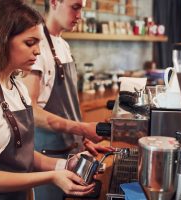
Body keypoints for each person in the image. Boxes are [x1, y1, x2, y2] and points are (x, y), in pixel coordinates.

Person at [0, 0, 95, 199]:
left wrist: (64, 165)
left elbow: (23, 155)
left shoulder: (17, 86)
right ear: (1, 40)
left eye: (38, 42)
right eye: (30, 43)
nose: (37, 50)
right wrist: (52, 177)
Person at [22, 0, 114, 199]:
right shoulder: (37, 45)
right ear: (54, 2)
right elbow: (31, 111)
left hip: (72, 153)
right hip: (49, 158)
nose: (80, 15)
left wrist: (82, 140)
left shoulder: (62, 44)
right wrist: (82, 128)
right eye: (76, 6)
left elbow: (66, 106)